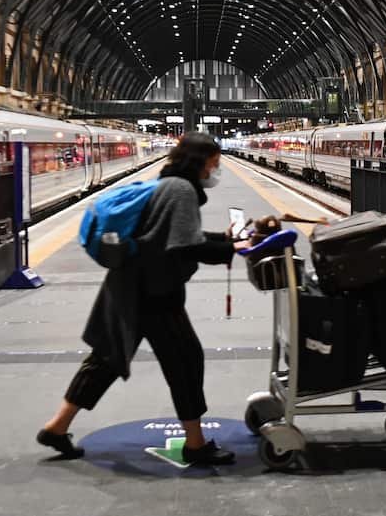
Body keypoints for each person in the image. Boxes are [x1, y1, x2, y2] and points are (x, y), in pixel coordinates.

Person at [37, 132, 251, 464]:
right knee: (185, 361)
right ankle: (195, 444)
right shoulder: (181, 191)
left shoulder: (169, 184)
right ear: (201, 162)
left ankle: (56, 426)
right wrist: (232, 247)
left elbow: (166, 235)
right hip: (155, 293)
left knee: (106, 359)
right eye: (214, 163)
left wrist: (221, 239)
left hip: (128, 285)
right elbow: (183, 246)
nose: (216, 169)